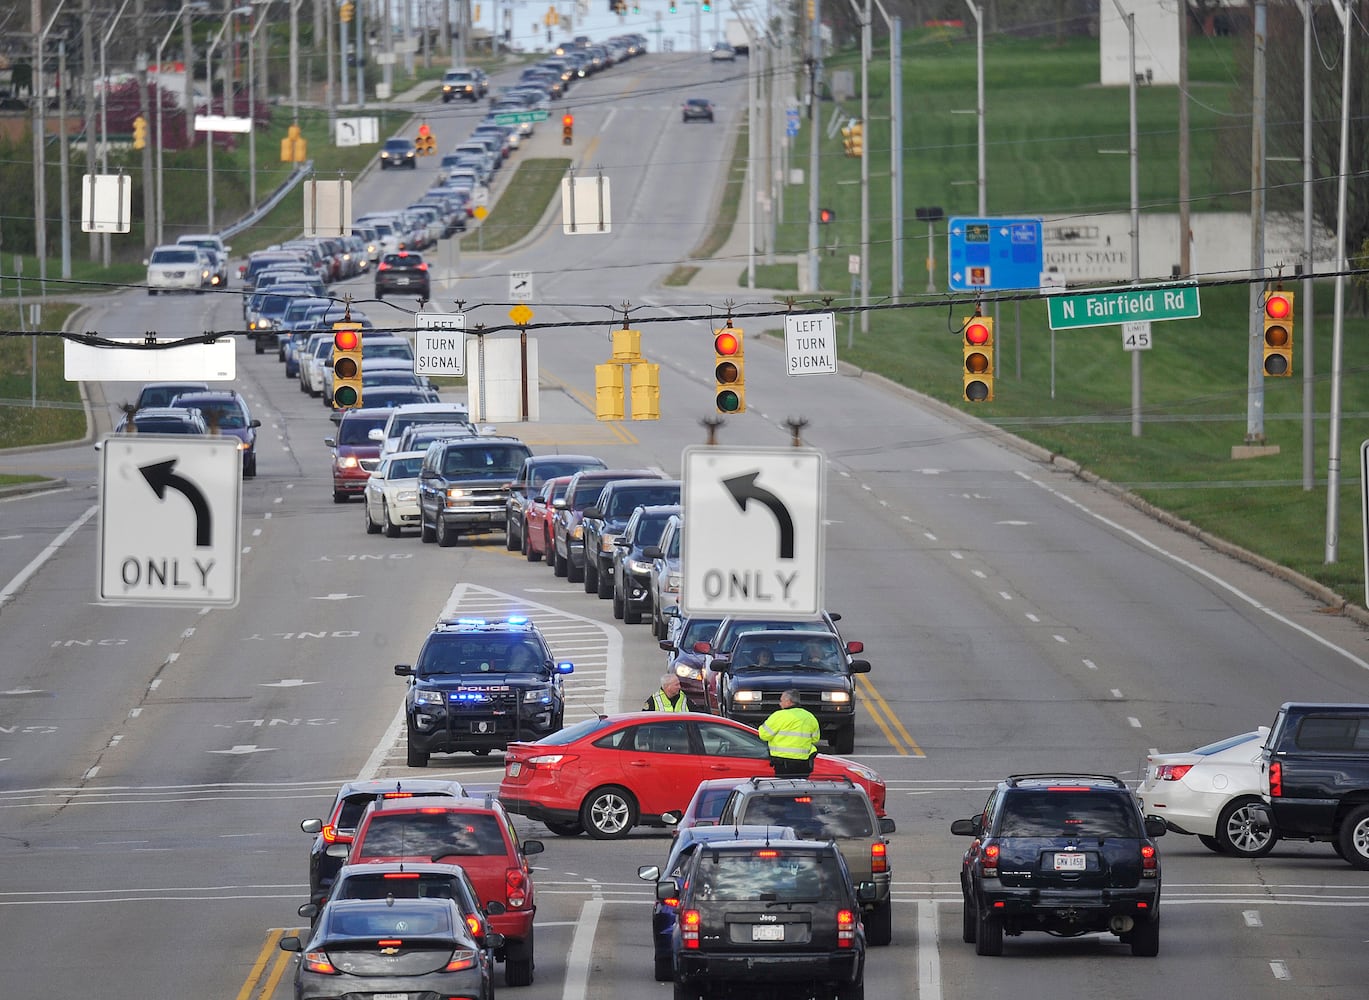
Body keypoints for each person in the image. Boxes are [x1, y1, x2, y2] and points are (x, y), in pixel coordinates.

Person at [758, 689, 821, 776]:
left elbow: (764, 735)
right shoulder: (810, 717)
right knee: (800, 788)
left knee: (783, 788)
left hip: (783, 763)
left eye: (781, 700)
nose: (780, 703)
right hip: (804, 763)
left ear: (788, 701)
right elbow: (815, 739)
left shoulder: (779, 716)